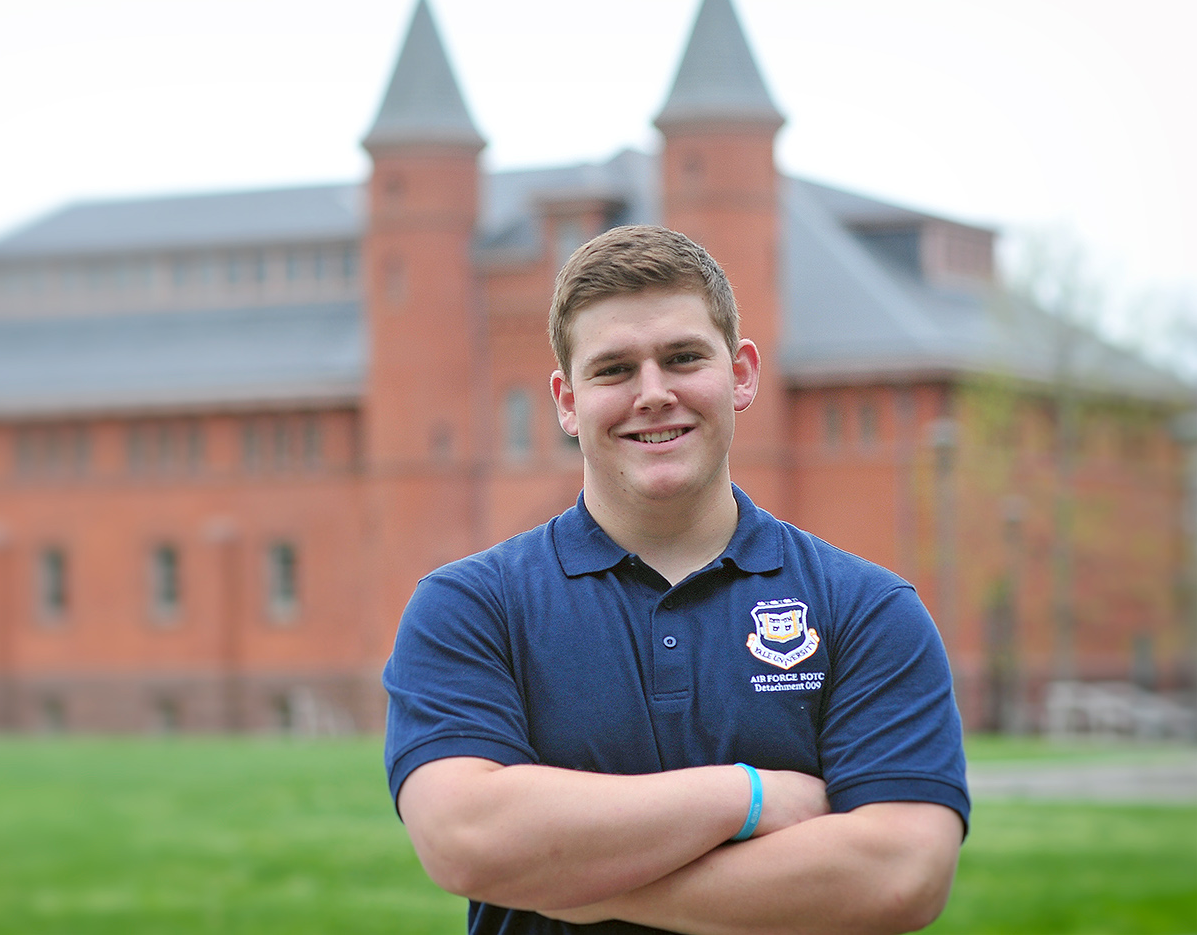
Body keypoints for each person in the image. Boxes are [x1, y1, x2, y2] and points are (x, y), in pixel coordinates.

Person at [382, 225, 969, 935]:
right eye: (614, 370)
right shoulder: (472, 607)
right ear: (567, 401)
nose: (654, 393)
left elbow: (902, 873)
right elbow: (466, 837)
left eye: (683, 358)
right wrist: (747, 795)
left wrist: (576, 883)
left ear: (742, 373)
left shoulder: (866, 609)